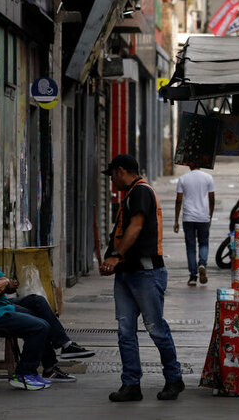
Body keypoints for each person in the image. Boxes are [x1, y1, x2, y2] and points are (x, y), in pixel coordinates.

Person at [0, 221, 95, 390]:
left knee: (37, 303)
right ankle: (24, 374)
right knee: (39, 326)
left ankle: (62, 350)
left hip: (0, 306)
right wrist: (6, 283)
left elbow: (5, 282)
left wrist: (6, 282)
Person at [100, 154, 184, 402]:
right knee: (125, 330)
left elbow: (135, 227)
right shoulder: (131, 194)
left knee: (155, 328)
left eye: (112, 175)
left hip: (145, 273)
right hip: (127, 273)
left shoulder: (140, 192)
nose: (112, 182)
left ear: (120, 171)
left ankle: (173, 379)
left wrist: (115, 255)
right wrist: (114, 261)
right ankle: (131, 384)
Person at [174, 162, 215, 286]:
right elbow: (212, 199)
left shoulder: (183, 179)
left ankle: (193, 277)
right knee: (203, 243)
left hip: (188, 217)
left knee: (190, 247)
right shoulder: (208, 177)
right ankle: (202, 264)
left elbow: (178, 200)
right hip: (203, 217)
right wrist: (210, 216)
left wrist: (176, 220)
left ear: (188, 165)